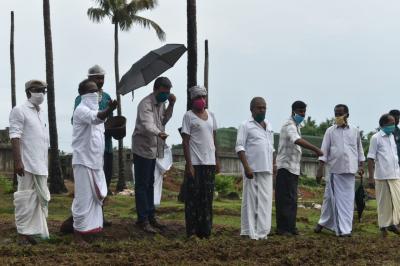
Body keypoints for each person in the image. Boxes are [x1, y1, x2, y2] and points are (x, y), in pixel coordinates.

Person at [71, 79, 117, 244]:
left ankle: (89, 230)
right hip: (83, 162)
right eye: (91, 91)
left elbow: (100, 121)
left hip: (96, 163)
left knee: (96, 199)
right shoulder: (81, 110)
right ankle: (77, 234)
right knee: (83, 199)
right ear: (82, 95)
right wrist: (109, 109)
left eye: (96, 91)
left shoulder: (98, 112)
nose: (95, 94)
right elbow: (96, 118)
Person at [132, 76, 176, 233]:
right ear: (156, 89)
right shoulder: (145, 104)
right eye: (164, 92)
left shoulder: (161, 103)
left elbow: (163, 121)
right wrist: (160, 134)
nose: (166, 94)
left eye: (168, 92)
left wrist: (171, 104)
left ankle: (151, 216)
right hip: (142, 148)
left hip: (154, 148)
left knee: (150, 183)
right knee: (142, 185)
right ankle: (142, 219)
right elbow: (148, 125)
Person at [9, 79, 51, 244]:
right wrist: (18, 161)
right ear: (29, 92)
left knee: (39, 199)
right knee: (25, 198)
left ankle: (32, 233)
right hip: (26, 164)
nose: (41, 93)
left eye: (44, 90)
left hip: (40, 164)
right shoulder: (19, 110)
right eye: (38, 90)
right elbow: (15, 135)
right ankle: (22, 234)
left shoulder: (40, 112)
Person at [314, 104, 365, 237]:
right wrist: (320, 170)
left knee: (346, 201)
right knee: (337, 201)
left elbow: (359, 150)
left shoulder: (355, 131)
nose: (338, 116)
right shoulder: (330, 131)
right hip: (335, 171)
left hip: (350, 172)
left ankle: (323, 222)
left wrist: (361, 166)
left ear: (347, 115)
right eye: (336, 114)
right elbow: (323, 151)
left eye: (340, 114)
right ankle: (343, 230)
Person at [275, 100, 323, 236]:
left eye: (304, 112)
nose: (302, 114)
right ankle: (283, 228)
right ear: (293, 111)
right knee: (285, 199)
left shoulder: (297, 125)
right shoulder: (289, 124)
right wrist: (315, 149)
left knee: (292, 199)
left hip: (293, 168)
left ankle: (291, 227)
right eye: (300, 111)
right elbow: (296, 140)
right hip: (285, 167)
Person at [236, 97, 276, 240]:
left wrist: (274, 165)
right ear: (252, 109)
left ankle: (262, 233)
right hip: (252, 169)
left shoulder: (269, 125)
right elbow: (240, 147)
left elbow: (271, 148)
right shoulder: (245, 125)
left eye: (264, 107)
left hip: (267, 169)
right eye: (259, 107)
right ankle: (248, 232)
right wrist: (246, 167)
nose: (262, 110)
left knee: (265, 202)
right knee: (250, 201)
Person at [182, 86, 219, 238]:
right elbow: (185, 142)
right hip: (195, 164)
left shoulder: (211, 115)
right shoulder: (188, 116)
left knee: (207, 198)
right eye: (198, 97)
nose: (201, 100)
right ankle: (192, 231)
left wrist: (217, 159)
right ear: (192, 99)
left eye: (203, 96)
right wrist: (189, 164)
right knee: (193, 198)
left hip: (209, 163)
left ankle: (205, 231)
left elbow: (214, 137)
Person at [73, 65, 114, 193]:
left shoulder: (107, 97)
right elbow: (76, 120)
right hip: (88, 150)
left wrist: (114, 128)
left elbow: (110, 119)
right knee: (88, 187)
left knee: (103, 182)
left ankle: (99, 211)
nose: (101, 81)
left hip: (105, 146)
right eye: (98, 78)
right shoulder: (81, 99)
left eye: (102, 78)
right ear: (90, 79)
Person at [367, 113, 400, 237]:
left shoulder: (392, 136)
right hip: (382, 175)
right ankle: (383, 227)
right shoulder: (375, 138)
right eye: (390, 123)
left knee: (397, 201)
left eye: (394, 123)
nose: (393, 125)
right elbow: (370, 158)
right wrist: (370, 177)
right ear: (382, 125)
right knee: (383, 202)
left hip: (395, 174)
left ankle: (393, 224)